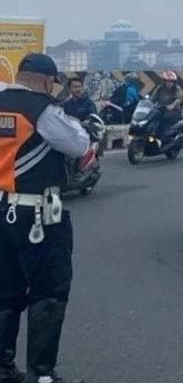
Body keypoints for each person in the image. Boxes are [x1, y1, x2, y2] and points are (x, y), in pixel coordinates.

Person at [0, 53, 89, 383]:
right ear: (46, 80)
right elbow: (79, 145)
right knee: (48, 291)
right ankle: (41, 373)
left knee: (5, 291)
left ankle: (3, 368)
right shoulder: (44, 111)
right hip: (38, 216)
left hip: (2, 211)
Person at [150, 70, 183, 139]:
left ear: (174, 82)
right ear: (164, 81)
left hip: (174, 111)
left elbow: (178, 99)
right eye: (167, 81)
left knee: (163, 118)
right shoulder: (160, 89)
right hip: (160, 109)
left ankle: (162, 137)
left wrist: (172, 105)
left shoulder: (177, 89)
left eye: (171, 81)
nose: (169, 83)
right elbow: (152, 99)